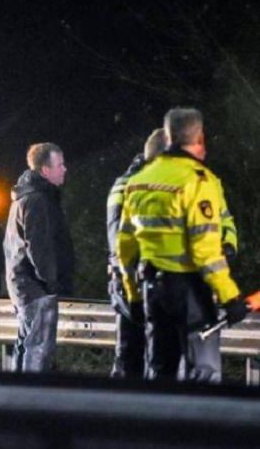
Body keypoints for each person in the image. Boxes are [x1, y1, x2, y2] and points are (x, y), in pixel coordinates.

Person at [117, 108, 247, 382]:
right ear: (199, 138)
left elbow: (125, 248)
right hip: (191, 294)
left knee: (160, 369)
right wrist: (229, 297)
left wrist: (134, 296)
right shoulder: (198, 181)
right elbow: (206, 252)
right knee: (201, 372)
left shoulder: (140, 181)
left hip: (152, 288)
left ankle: (160, 423)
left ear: (168, 136)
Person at [3, 142, 74, 373]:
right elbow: (39, 248)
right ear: (45, 170)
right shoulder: (38, 201)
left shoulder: (24, 198)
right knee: (38, 353)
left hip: (23, 286)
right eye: (60, 165)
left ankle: (16, 402)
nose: (65, 169)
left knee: (25, 346)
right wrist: (51, 282)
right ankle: (32, 403)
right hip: (36, 290)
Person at [106, 128, 167, 378]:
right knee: (149, 362)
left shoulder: (123, 183)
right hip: (141, 285)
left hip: (127, 285)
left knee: (129, 358)